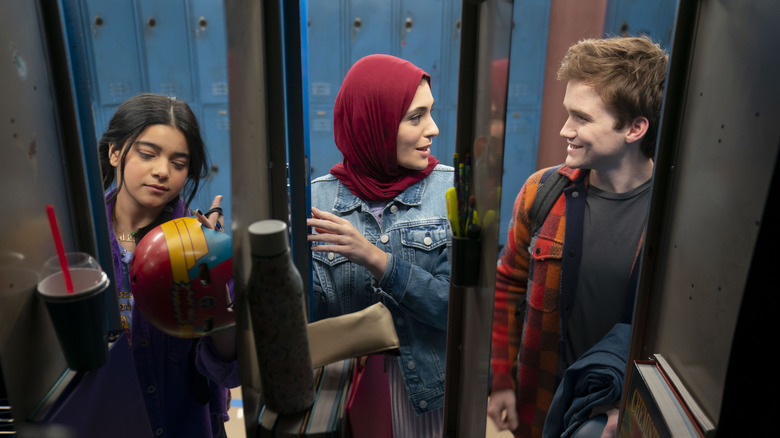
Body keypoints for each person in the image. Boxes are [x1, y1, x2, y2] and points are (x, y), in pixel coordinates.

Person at [488, 36, 668, 438]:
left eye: (582, 118)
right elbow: (507, 283)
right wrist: (501, 379)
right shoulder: (542, 192)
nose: (564, 129)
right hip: (538, 408)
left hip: (622, 419)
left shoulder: (674, 216)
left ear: (635, 128)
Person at [307, 54, 452, 436]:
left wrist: (376, 260)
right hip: (343, 399)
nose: (433, 129)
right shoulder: (316, 203)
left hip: (427, 397)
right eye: (416, 117)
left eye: (430, 113)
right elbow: (304, 322)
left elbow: (459, 310)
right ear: (373, 122)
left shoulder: (449, 192)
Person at [98, 93, 240, 437]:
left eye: (178, 163)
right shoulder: (83, 236)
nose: (162, 172)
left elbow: (230, 371)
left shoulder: (201, 245)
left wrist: (215, 293)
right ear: (115, 152)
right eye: (147, 155)